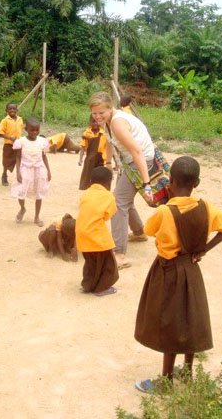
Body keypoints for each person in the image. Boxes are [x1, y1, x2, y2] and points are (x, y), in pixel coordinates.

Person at [133, 156, 222, 392]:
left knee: (168, 322)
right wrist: (204, 249)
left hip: (168, 270)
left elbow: (147, 230)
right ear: (197, 182)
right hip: (192, 268)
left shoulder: (165, 212)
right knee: (190, 319)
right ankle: (187, 372)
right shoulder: (206, 206)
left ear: (170, 181)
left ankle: (166, 381)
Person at [89, 92, 154, 268]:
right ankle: (139, 232)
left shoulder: (117, 123)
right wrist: (108, 162)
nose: (97, 116)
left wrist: (147, 184)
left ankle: (120, 255)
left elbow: (137, 151)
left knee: (118, 203)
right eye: (94, 113)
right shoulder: (108, 122)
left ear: (111, 108)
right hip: (129, 161)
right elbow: (109, 141)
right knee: (124, 198)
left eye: (101, 112)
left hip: (139, 161)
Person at [76, 167, 119, 296]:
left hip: (81, 234)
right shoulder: (108, 196)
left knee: (90, 263)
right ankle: (102, 288)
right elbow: (107, 216)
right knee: (107, 264)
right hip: (97, 237)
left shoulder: (86, 194)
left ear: (91, 181)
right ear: (109, 182)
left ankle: (88, 285)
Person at [12, 117, 51, 227]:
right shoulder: (21, 142)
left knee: (39, 193)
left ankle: (36, 217)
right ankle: (22, 208)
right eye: (32, 130)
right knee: (21, 192)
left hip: (39, 170)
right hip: (25, 169)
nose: (34, 132)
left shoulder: (42, 141)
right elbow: (18, 158)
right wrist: (18, 173)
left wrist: (48, 171)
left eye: (37, 130)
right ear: (26, 129)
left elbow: (44, 156)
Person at [78, 115, 107, 190]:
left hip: (100, 158)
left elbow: (107, 148)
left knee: (99, 175)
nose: (95, 124)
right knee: (87, 174)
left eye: (97, 122)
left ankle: (98, 188)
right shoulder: (87, 134)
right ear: (90, 122)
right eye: (93, 122)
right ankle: (86, 188)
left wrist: (107, 160)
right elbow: (83, 147)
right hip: (90, 158)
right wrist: (80, 159)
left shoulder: (103, 133)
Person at [0, 103, 24, 186]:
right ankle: (4, 175)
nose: (12, 110)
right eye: (10, 109)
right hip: (8, 145)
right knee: (6, 161)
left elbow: (21, 129)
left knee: (19, 160)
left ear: (17, 110)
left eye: (14, 108)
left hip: (18, 144)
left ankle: (18, 177)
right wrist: (10, 138)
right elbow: (0, 134)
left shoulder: (20, 119)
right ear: (6, 111)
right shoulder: (5, 120)